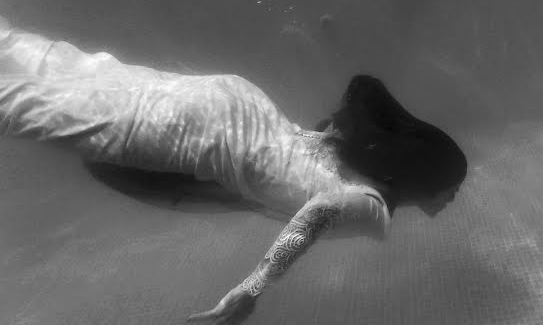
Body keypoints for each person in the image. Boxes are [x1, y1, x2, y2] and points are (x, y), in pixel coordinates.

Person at [0, 18, 467, 324]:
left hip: (237, 104)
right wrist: (254, 286)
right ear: (424, 177)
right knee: (26, 106)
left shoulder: (353, 156)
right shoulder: (374, 207)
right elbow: (318, 212)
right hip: (210, 132)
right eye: (450, 188)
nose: (451, 198)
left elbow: (283, 173)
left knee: (67, 71)